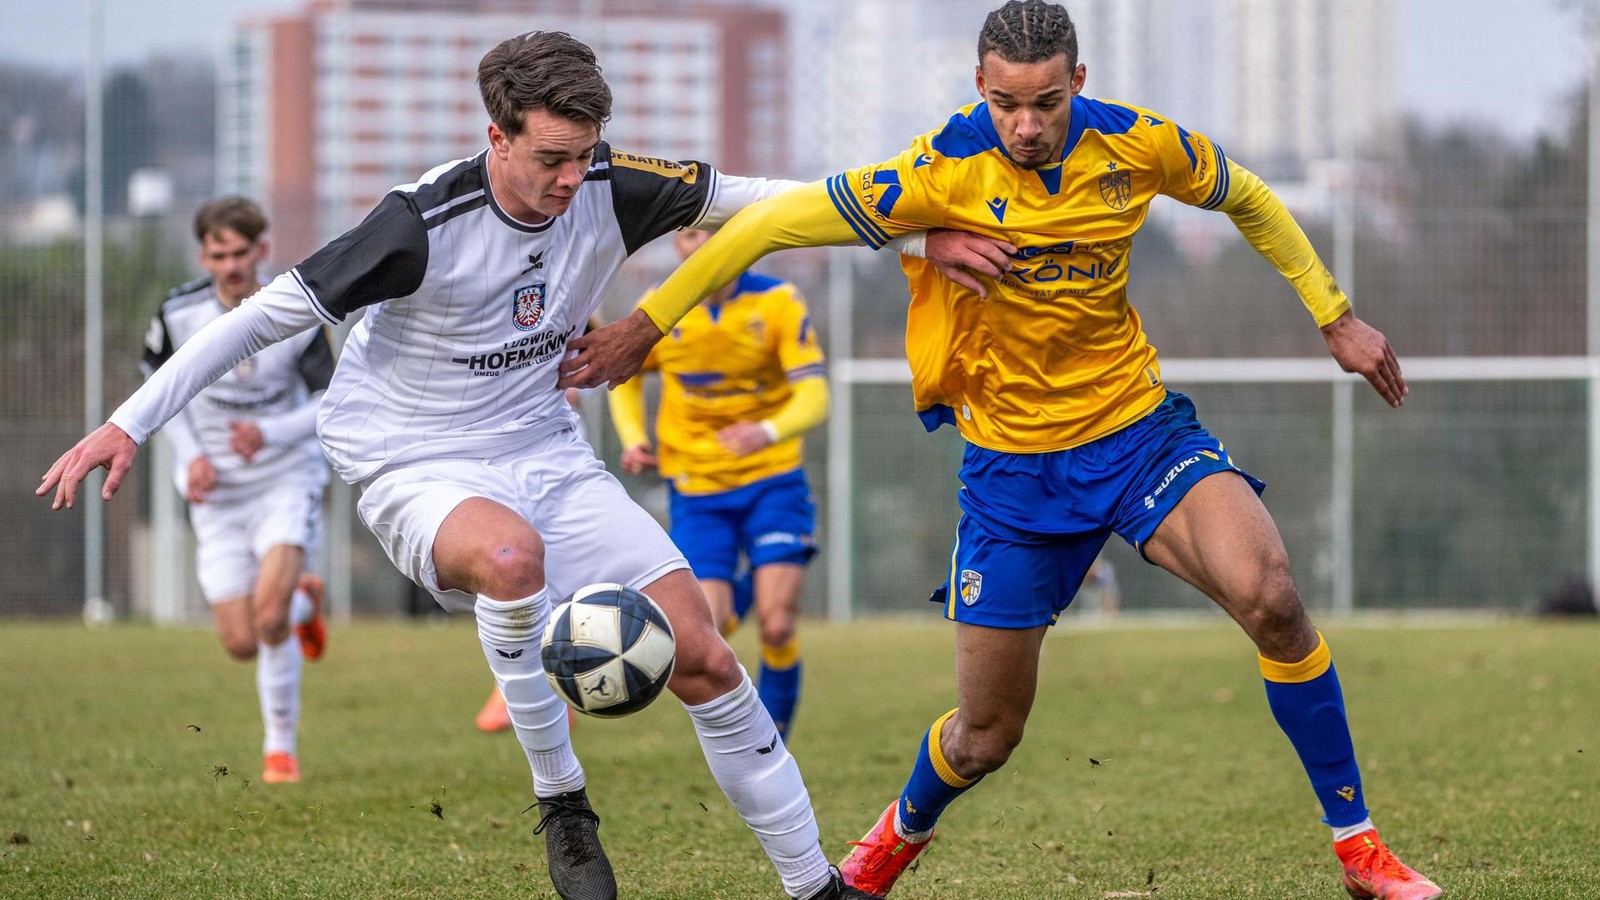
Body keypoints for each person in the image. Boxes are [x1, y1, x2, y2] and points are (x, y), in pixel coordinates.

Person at [40, 32, 990, 900]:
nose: (573, 179)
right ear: (495, 136)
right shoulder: (419, 223)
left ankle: (810, 884)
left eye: (584, 156)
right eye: (550, 159)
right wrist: (128, 423)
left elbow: (775, 202)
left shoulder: (610, 185)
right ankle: (563, 803)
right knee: (511, 560)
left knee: (702, 652)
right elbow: (263, 319)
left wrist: (915, 237)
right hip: (409, 456)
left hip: (542, 446)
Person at [557, 3, 1441, 898]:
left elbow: (1246, 196)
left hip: (1137, 433)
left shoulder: (1138, 144)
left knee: (1275, 598)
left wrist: (1335, 314)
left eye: (1048, 103)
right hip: (1011, 474)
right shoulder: (939, 167)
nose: (1027, 124)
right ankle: (893, 840)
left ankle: (1360, 849)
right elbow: (764, 227)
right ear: (981, 88)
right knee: (986, 737)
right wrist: (646, 323)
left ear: (1078, 85)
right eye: (1009, 103)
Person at [609, 227, 828, 740]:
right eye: (689, 234)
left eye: (715, 232)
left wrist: (766, 431)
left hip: (772, 480)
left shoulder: (776, 301)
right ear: (678, 246)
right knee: (710, 631)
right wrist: (634, 436)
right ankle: (752, 586)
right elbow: (627, 374)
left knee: (778, 624)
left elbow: (815, 393)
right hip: (697, 490)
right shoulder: (659, 307)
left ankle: (774, 737)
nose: (702, 244)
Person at [142, 196, 331, 785]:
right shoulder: (178, 314)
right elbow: (157, 387)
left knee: (268, 619)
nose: (230, 266)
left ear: (261, 251)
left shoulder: (294, 312)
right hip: (217, 492)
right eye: (218, 254)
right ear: (204, 255)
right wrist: (194, 457)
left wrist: (269, 432)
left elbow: (334, 399)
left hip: (285, 478)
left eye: (240, 253)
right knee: (241, 641)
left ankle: (280, 751)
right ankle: (307, 604)